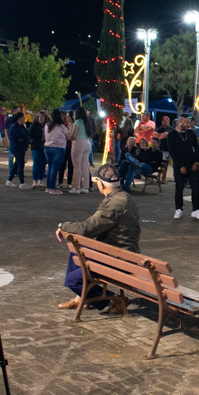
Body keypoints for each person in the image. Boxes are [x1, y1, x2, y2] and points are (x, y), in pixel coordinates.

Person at [55, 164, 141, 312]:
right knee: (77, 250)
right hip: (123, 253)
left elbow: (87, 229)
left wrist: (63, 226)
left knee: (72, 280)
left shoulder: (114, 203)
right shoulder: (124, 197)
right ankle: (82, 297)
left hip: (118, 259)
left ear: (101, 184)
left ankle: (116, 299)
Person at [165, 116, 199, 219]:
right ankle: (178, 209)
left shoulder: (190, 133)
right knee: (179, 187)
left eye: (189, 123)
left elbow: (196, 148)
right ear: (180, 122)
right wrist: (180, 165)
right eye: (186, 122)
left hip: (192, 164)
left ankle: (196, 209)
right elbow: (173, 152)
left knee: (195, 187)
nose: (188, 125)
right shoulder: (172, 135)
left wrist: (196, 162)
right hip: (179, 165)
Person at [68, 107, 94, 194]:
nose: (74, 116)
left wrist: (68, 134)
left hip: (78, 144)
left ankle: (77, 188)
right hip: (87, 144)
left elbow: (73, 135)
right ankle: (86, 187)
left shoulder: (78, 122)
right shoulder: (87, 122)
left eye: (75, 114)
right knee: (85, 166)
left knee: (77, 166)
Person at [44, 109, 68, 194]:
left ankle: (48, 187)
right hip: (58, 148)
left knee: (50, 167)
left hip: (47, 147)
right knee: (55, 168)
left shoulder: (47, 125)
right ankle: (52, 188)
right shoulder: (61, 126)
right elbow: (68, 136)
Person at [5, 113, 30, 189]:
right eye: (23, 117)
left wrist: (24, 139)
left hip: (20, 147)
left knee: (17, 164)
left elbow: (25, 135)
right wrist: (24, 139)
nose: (24, 119)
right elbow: (22, 136)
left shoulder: (19, 126)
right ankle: (22, 183)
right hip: (17, 147)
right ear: (20, 118)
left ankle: (9, 180)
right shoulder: (15, 126)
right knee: (20, 164)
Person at [28, 111, 47, 188]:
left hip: (44, 146)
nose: (40, 118)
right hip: (36, 146)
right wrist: (41, 137)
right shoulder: (35, 125)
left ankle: (40, 180)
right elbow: (30, 134)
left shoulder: (46, 125)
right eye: (39, 117)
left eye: (42, 117)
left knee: (43, 164)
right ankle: (35, 180)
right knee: (36, 163)